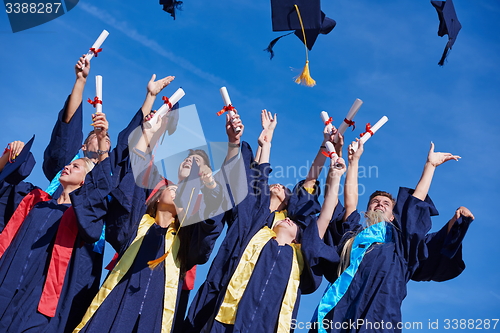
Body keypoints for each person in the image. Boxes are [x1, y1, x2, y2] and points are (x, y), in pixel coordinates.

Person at [184, 113, 345, 333]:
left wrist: (324, 147)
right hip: (225, 286)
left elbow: (311, 183)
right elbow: (255, 181)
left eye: (287, 191)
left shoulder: (291, 229)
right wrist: (265, 142)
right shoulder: (251, 217)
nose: (279, 186)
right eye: (274, 184)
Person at [71, 121, 225, 333]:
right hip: (116, 305)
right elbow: (132, 182)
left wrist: (210, 186)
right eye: (169, 188)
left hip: (157, 311)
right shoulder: (138, 222)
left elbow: (210, 228)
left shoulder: (188, 234)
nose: (173, 189)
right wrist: (147, 136)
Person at [311, 140, 474, 333]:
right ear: (367, 210)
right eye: (375, 202)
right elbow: (350, 203)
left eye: (386, 203)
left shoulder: (400, 240)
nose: (380, 204)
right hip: (340, 308)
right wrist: (354, 161)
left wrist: (430, 166)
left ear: (393, 215)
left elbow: (415, 204)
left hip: (380, 311)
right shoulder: (352, 237)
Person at [0, 114, 110, 333]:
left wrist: (103, 146)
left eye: (76, 167)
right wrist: (8, 156)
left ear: (85, 182)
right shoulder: (34, 200)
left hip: (37, 303)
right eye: (68, 164)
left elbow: (105, 185)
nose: (67, 167)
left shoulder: (84, 222)